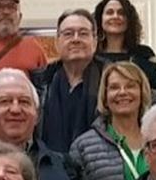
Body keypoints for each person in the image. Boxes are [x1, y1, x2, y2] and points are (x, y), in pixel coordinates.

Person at [69, 61, 152, 180]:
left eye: (130, 86)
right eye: (114, 87)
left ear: (142, 92)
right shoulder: (83, 147)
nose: (122, 92)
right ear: (105, 96)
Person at [34, 9, 109, 154]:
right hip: (48, 168)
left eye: (83, 33)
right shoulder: (39, 82)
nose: (76, 39)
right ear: (57, 42)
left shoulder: (111, 81)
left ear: (94, 41)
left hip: (97, 166)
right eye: (68, 34)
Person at [93, 0, 156, 99]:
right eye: (109, 12)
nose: (115, 16)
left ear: (129, 20)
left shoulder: (144, 54)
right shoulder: (91, 57)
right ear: (100, 20)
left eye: (121, 13)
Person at [0, 0, 51, 75]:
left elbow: (44, 85)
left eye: (11, 7)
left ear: (20, 17)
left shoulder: (34, 48)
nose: (6, 12)